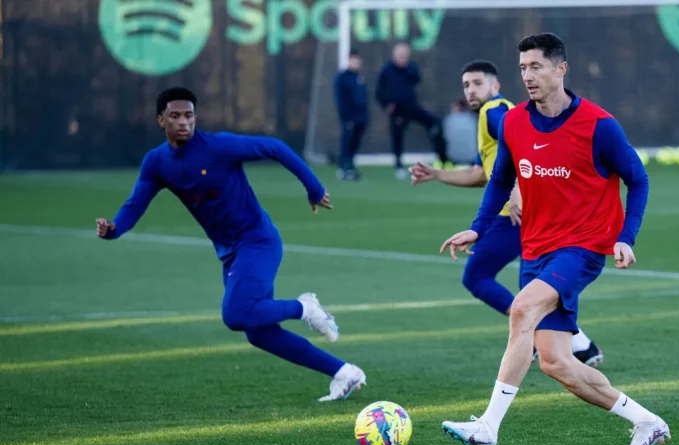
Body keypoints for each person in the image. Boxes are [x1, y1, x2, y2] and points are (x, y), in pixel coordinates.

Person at [439, 34, 668, 445]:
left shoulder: (600, 126)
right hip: (536, 249)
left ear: (561, 69)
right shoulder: (514, 123)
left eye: (537, 66)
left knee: (522, 309)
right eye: (523, 67)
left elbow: (639, 180)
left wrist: (625, 237)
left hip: (581, 247)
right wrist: (478, 228)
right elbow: (500, 181)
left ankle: (488, 427)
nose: (527, 75)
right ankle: (647, 422)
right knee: (556, 364)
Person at [95, 87, 366, 402]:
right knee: (259, 333)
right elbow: (135, 204)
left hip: (258, 241)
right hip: (231, 254)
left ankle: (305, 307)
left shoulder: (219, 147)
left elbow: (276, 148)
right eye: (175, 116)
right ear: (161, 120)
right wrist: (114, 229)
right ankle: (345, 372)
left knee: (236, 315)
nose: (184, 122)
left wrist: (313, 187)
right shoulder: (157, 163)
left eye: (189, 115)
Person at [410, 60, 603, 367]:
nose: (471, 90)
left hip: (512, 216)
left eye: (477, 83)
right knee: (536, 284)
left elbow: (516, 144)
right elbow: (480, 174)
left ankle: (550, 337)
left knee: (477, 277)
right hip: (528, 213)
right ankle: (579, 344)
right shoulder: (496, 118)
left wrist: (515, 193)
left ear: (495, 86)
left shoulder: (494, 112)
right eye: (466, 85)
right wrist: (436, 174)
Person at [375, 42, 449, 180]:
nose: (402, 58)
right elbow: (379, 92)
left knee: (435, 123)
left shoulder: (411, 67)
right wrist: (387, 105)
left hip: (412, 106)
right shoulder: (387, 70)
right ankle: (398, 166)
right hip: (398, 111)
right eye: (400, 55)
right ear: (394, 54)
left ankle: (443, 160)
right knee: (397, 137)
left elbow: (416, 80)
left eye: (405, 55)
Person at [333, 49, 368, 181]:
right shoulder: (342, 77)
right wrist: (346, 116)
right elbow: (341, 99)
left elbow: (363, 98)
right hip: (349, 117)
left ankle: (350, 166)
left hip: (361, 117)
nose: (356, 63)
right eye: (353, 60)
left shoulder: (359, 77)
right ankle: (344, 168)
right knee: (347, 141)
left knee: (355, 142)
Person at [442, 98, 478, 167]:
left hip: (453, 157)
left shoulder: (449, 119)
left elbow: (444, 137)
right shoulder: (472, 119)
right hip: (471, 157)